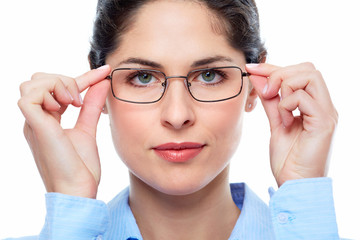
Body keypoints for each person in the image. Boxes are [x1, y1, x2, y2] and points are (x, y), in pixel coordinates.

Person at [8, 0, 344, 239]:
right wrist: (70, 196)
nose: (177, 115)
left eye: (209, 75)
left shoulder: (313, 232)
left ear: (255, 87)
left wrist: (303, 186)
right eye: (142, 77)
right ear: (100, 85)